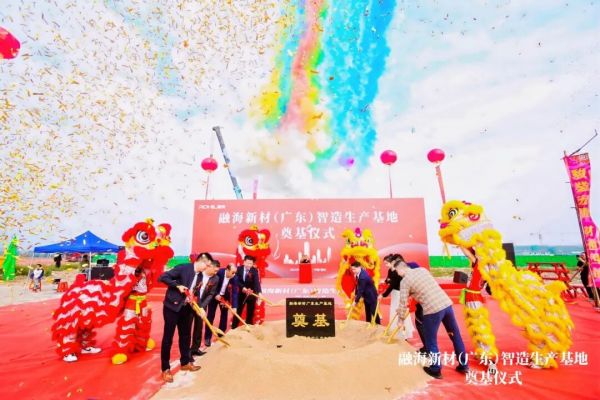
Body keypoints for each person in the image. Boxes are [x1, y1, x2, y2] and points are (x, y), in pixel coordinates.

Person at [395, 259, 469, 379]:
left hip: (432, 310)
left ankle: (435, 369)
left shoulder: (405, 281)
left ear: (400, 269)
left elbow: (403, 303)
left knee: (430, 341)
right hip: (446, 304)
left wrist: (400, 320)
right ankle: (464, 365)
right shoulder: (423, 270)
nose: (397, 274)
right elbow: (425, 287)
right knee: (455, 336)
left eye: (396, 271)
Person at [158, 254, 210, 383]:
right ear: (200, 261)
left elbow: (196, 294)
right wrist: (177, 286)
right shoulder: (183, 268)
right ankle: (165, 369)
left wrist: (200, 308)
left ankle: (185, 362)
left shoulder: (200, 276)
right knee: (168, 338)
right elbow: (163, 277)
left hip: (186, 309)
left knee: (186, 336)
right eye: (207, 265)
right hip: (172, 307)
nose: (207, 267)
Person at [379, 254, 415, 339]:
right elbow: (388, 280)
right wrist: (385, 282)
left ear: (392, 262)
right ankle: (395, 330)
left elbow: (392, 285)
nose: (386, 265)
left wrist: (383, 295)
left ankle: (404, 333)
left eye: (387, 263)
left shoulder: (397, 272)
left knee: (400, 311)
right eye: (385, 264)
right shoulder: (390, 270)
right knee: (394, 311)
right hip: (394, 294)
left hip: (399, 293)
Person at [204, 263, 239, 346]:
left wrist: (234, 307)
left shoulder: (235, 278)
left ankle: (221, 335)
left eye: (235, 273)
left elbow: (234, 293)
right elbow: (212, 285)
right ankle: (207, 337)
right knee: (210, 316)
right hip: (214, 296)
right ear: (227, 270)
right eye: (232, 272)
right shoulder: (219, 273)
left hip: (224, 298)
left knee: (224, 316)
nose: (234, 274)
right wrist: (216, 294)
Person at [190, 253, 213, 357]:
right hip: (191, 303)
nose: (208, 267)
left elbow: (211, 294)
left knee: (199, 327)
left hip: (201, 304)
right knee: (188, 326)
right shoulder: (195, 272)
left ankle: (195, 348)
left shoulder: (214, 278)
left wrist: (202, 306)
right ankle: (187, 351)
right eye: (208, 265)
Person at [232, 255, 262, 328]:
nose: (249, 265)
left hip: (251, 294)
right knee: (238, 312)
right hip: (241, 294)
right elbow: (236, 281)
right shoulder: (239, 269)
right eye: (247, 263)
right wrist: (243, 288)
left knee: (250, 313)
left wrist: (259, 293)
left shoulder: (254, 270)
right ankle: (234, 328)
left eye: (251, 263)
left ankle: (249, 328)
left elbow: (257, 283)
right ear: (244, 262)